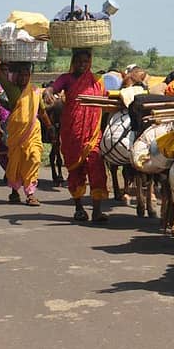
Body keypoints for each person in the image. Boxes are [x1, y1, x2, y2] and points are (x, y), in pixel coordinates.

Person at [48, 48, 110, 223]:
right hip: (72, 133)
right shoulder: (66, 79)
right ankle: (79, 208)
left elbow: (106, 100)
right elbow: (54, 88)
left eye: (85, 61)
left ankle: (97, 211)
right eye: (79, 61)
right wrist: (48, 93)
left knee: (97, 167)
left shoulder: (97, 81)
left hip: (93, 134)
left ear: (89, 62)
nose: (82, 65)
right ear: (73, 62)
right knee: (75, 171)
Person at [0, 44, 53, 206]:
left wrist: (50, 127)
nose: (24, 77)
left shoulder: (34, 91)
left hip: (33, 133)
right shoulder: (12, 90)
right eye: (21, 74)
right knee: (15, 162)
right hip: (16, 134)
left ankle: (30, 194)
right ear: (15, 76)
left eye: (27, 74)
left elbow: (41, 112)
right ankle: (14, 191)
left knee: (34, 158)